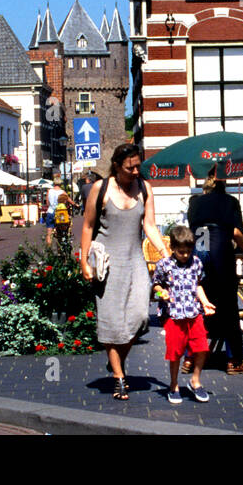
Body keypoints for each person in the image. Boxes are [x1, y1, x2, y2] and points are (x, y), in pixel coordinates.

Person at [80, 142, 168, 401]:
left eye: (139, 166)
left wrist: (165, 252)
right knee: (111, 321)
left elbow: (149, 226)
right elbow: (87, 227)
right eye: (131, 168)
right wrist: (84, 262)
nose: (136, 172)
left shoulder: (144, 188)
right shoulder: (101, 189)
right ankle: (119, 377)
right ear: (117, 166)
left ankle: (116, 359)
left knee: (140, 316)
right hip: (107, 263)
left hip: (135, 261)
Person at [187, 173, 243, 375]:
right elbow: (236, 233)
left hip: (199, 250)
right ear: (224, 186)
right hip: (220, 252)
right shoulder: (230, 201)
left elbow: (195, 229)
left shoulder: (196, 203)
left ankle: (190, 358)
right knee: (228, 306)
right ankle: (233, 360)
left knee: (199, 305)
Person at [152, 225, 216, 403]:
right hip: (174, 315)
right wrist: (161, 293)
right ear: (172, 248)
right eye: (181, 252)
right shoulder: (164, 264)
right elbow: (155, 286)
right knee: (175, 352)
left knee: (202, 347)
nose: (185, 255)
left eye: (188, 251)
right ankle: (173, 384)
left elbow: (198, 285)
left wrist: (205, 302)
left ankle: (195, 381)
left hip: (194, 313)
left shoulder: (196, 262)